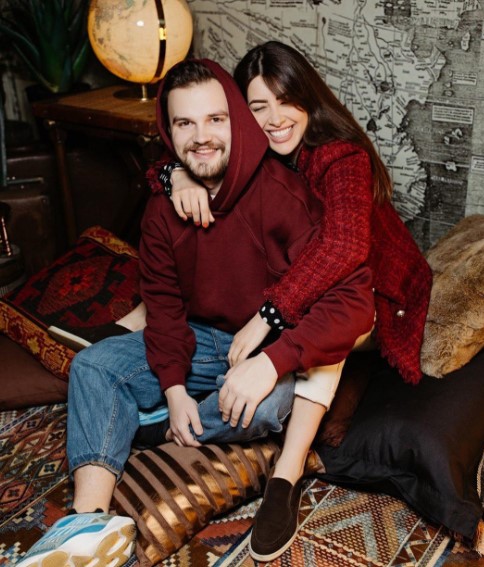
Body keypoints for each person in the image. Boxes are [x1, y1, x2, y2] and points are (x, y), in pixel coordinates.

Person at [21, 58, 374, 566]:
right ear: (169, 131)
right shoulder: (163, 206)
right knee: (92, 367)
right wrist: (174, 388)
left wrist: (272, 360)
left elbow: (352, 300)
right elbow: (163, 306)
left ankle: (153, 426)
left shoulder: (282, 195)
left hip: (270, 343)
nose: (202, 137)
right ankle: (87, 526)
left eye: (215, 119)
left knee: (271, 405)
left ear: (236, 121)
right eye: (185, 123)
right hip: (201, 338)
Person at [50, 41, 432, 387]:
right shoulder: (263, 156)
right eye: (258, 107)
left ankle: (297, 444)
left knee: (314, 328)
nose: (275, 119)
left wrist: (267, 316)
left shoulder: (340, 157)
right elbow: (180, 156)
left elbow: (343, 246)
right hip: (311, 282)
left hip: (377, 294)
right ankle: (134, 323)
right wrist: (176, 174)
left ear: (308, 100)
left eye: (286, 101)